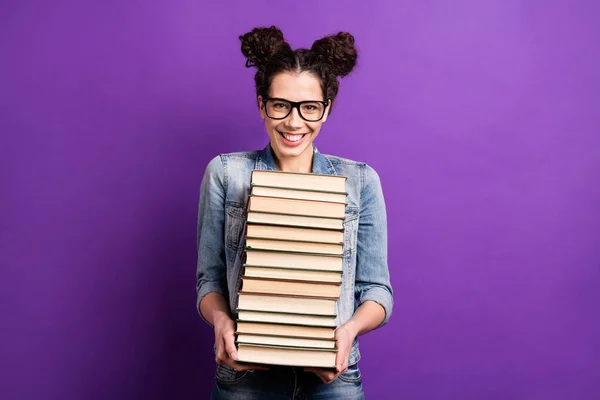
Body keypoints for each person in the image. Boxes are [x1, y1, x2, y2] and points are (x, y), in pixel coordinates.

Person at [196, 26, 393, 399]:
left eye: (309, 107)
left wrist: (347, 331)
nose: (293, 121)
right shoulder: (225, 173)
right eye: (280, 104)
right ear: (261, 104)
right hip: (246, 374)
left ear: (326, 110)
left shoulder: (361, 181)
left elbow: (378, 292)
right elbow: (210, 280)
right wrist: (221, 322)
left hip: (331, 378)